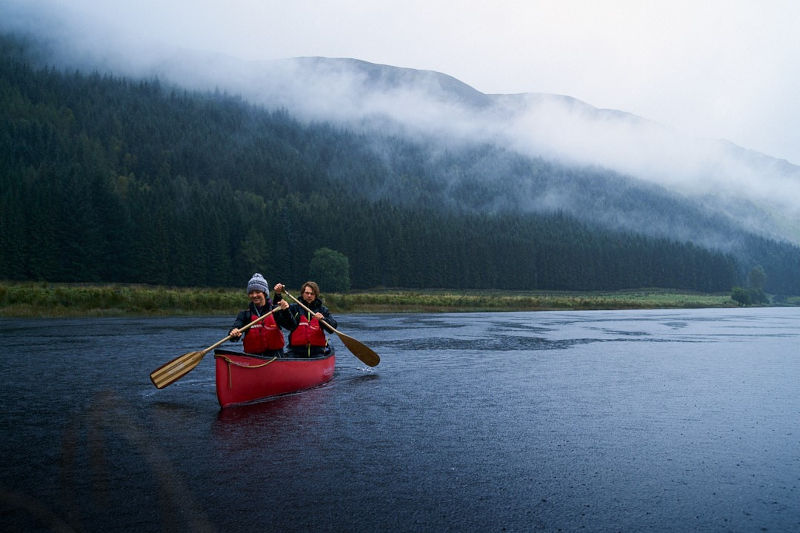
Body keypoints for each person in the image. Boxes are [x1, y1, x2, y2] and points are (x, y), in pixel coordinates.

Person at [229, 273, 292, 357]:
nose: (254, 295)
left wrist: (286, 311)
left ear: (264, 293)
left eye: (258, 292)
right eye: (251, 293)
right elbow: (234, 334)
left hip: (275, 359)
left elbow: (290, 326)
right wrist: (233, 332)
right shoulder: (244, 314)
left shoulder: (275, 310)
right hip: (252, 359)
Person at [273, 281, 337, 358]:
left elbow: (332, 328)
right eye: (307, 293)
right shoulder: (294, 308)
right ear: (302, 293)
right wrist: (278, 294)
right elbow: (277, 312)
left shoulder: (322, 310)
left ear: (316, 295)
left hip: (317, 353)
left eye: (312, 294)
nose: (309, 296)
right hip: (295, 352)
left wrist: (323, 319)